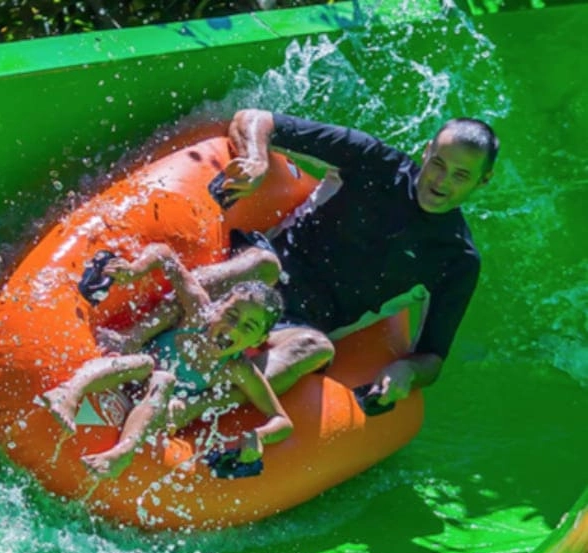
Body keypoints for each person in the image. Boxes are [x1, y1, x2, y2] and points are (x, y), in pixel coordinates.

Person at [105, 108, 499, 420]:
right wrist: (256, 159)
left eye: (461, 175)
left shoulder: (456, 259)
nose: (441, 181)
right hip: (265, 270)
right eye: (438, 164)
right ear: (427, 151)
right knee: (263, 264)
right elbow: (255, 119)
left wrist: (408, 373)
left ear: (482, 181)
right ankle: (129, 341)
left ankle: (184, 411)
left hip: (298, 323)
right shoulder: (373, 162)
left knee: (315, 347)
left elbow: (432, 358)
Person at [39, 242, 294, 480]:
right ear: (218, 307)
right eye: (231, 314)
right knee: (145, 363)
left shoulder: (237, 368)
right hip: (131, 374)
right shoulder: (198, 312)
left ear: (259, 339)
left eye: (248, 327)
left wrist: (259, 436)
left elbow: (282, 421)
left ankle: (122, 452)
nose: (233, 328)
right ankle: (69, 393)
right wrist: (135, 270)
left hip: (158, 410)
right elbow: (164, 254)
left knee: (164, 380)